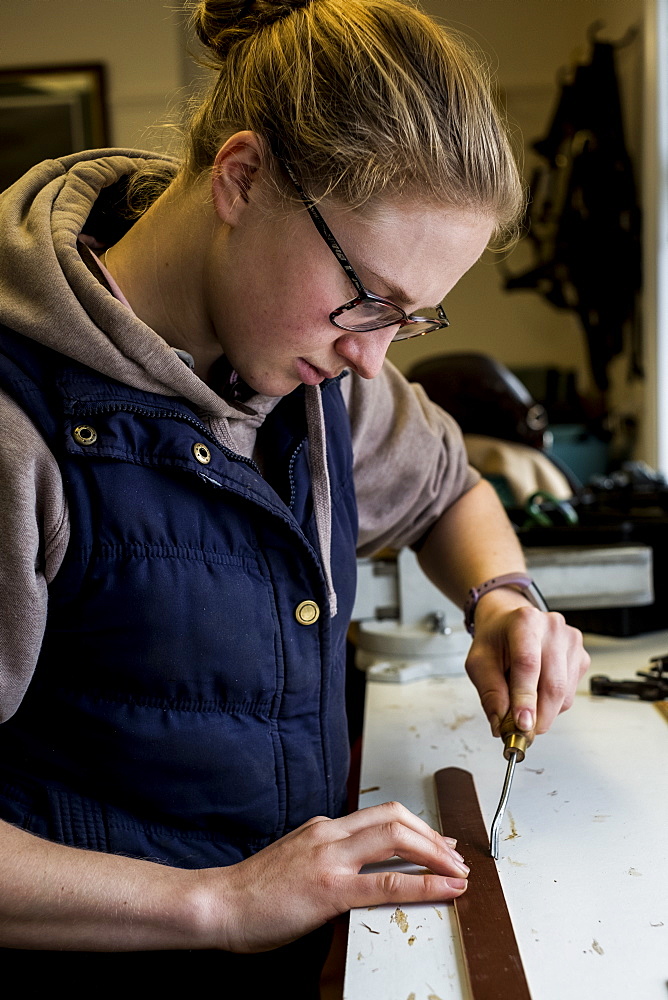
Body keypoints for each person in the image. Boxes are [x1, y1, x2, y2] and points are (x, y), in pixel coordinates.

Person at [0, 0, 589, 991]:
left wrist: (500, 598)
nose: (370, 355)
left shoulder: (314, 365)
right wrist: (222, 900)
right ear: (242, 178)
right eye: (366, 298)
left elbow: (449, 491)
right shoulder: (22, 422)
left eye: (409, 318)